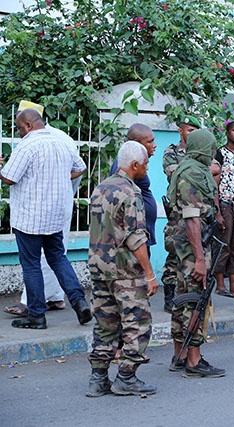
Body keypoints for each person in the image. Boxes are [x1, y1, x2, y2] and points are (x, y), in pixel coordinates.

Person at [0, 108, 91, 329]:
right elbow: (80, 168)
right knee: (58, 258)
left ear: (29, 126)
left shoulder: (28, 145)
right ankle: (79, 303)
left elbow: (10, 178)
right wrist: (58, 176)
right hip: (55, 215)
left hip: (30, 217)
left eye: (21, 128)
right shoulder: (62, 142)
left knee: (31, 265)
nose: (20, 133)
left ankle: (37, 316)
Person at [86, 140, 159, 397]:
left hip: (99, 268)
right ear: (135, 165)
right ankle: (126, 377)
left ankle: (98, 379)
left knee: (105, 324)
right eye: (146, 164)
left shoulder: (100, 188)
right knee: (137, 323)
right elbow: (136, 237)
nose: (147, 169)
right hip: (124, 272)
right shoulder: (131, 192)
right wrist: (150, 274)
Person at [167, 129, 225, 378]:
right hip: (193, 245)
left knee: (183, 299)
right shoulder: (191, 172)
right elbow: (192, 218)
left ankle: (179, 354)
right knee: (196, 300)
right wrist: (200, 259)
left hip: (188, 244)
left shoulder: (192, 167)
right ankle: (193, 360)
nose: (214, 153)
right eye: (211, 148)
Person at [161, 115, 202, 312]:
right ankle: (169, 296)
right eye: (189, 131)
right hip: (177, 210)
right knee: (173, 251)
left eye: (196, 132)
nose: (192, 135)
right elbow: (175, 173)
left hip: (196, 209)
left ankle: (189, 294)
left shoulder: (199, 153)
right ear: (181, 131)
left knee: (193, 252)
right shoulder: (171, 152)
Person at [109, 123, 158, 251]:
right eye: (150, 141)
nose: (154, 145)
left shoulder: (136, 165)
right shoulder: (123, 166)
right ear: (136, 143)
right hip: (134, 237)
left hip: (140, 234)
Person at [213, 121, 234, 298]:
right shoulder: (220, 153)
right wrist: (217, 209)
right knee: (223, 243)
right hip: (225, 204)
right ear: (227, 133)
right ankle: (220, 284)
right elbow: (215, 182)